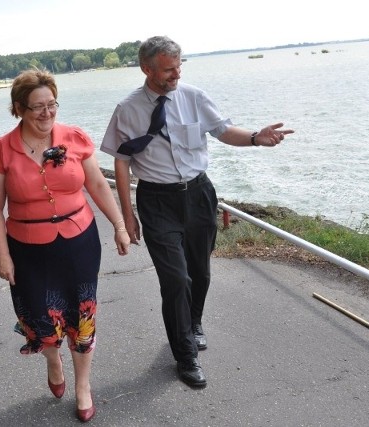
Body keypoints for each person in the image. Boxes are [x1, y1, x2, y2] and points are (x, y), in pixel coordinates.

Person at [100, 35, 293, 388]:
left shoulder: (193, 96)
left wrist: (254, 137)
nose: (176, 74)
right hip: (157, 201)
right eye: (168, 69)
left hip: (199, 194)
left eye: (179, 66)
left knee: (200, 273)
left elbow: (222, 131)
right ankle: (185, 355)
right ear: (147, 69)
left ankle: (194, 321)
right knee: (176, 280)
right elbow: (122, 162)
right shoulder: (127, 109)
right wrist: (127, 216)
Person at [0, 69, 131, 423]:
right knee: (40, 317)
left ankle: (83, 386)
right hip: (27, 249)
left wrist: (120, 225)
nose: (47, 113)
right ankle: (53, 361)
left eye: (52, 105)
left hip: (79, 242)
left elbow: (96, 183)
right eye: (37, 107)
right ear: (18, 108)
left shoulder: (75, 137)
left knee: (81, 316)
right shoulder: (2, 150)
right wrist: (2, 256)